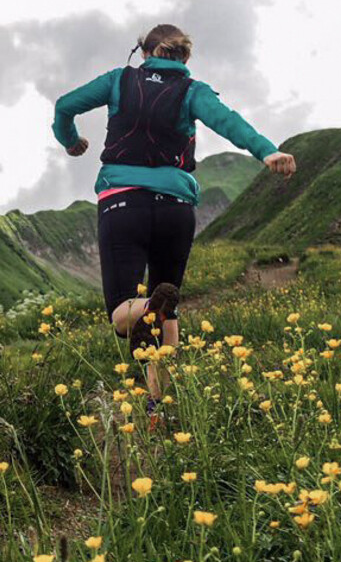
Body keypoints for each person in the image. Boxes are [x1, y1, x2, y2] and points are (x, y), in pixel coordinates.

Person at [52, 24, 296, 398]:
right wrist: (267, 151)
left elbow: (64, 106)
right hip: (176, 209)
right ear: (185, 59)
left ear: (143, 53)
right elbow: (229, 122)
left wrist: (71, 141)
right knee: (170, 308)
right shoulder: (192, 91)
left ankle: (149, 304)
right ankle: (158, 404)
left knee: (123, 313)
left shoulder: (118, 80)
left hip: (123, 203)